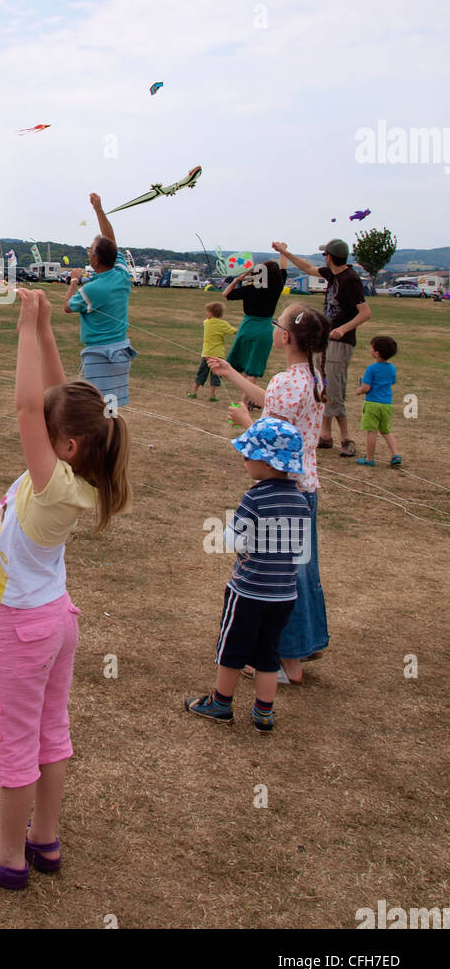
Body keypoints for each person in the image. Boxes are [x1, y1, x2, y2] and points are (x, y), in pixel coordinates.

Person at [0, 289, 131, 889]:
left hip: (25, 629)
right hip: (54, 619)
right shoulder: (77, 471)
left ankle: (7, 853)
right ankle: (44, 840)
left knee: (15, 741)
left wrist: (27, 326)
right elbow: (54, 401)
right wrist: (50, 331)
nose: (41, 429)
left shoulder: (53, 483)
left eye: (49, 430)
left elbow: (31, 408)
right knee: (51, 732)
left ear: (65, 445)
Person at [209, 306, 330, 685]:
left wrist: (245, 421)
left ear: (285, 337)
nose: (274, 327)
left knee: (281, 576)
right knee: (301, 569)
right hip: (305, 488)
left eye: (278, 323)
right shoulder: (311, 376)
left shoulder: (285, 381)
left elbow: (271, 439)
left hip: (284, 487)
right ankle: (304, 645)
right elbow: (275, 404)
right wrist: (230, 373)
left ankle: (284, 663)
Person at [184, 417, 309, 732]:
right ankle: (264, 712)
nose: (243, 459)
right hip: (284, 594)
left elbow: (233, 540)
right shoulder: (301, 499)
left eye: (248, 454)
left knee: (232, 648)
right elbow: (299, 546)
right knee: (269, 652)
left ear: (267, 463)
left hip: (249, 591)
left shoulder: (254, 498)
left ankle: (221, 703)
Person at [273, 238, 371, 457]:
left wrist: (344, 329)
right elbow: (307, 268)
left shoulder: (350, 280)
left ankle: (346, 439)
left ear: (329, 257)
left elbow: (365, 312)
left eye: (324, 255)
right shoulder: (332, 274)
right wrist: (284, 252)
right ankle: (325, 436)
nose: (323, 259)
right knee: (322, 385)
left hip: (340, 343)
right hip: (326, 341)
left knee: (334, 388)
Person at [63, 192, 136, 409]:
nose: (88, 252)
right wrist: (98, 210)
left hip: (99, 356)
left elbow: (67, 307)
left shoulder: (92, 289)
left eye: (90, 250)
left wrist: (74, 281)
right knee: (111, 409)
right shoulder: (122, 274)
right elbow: (110, 241)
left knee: (91, 408)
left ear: (95, 260)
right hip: (121, 353)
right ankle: (113, 441)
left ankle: (100, 442)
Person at [221, 255, 288, 399]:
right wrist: (283, 252)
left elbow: (226, 294)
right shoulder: (277, 286)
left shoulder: (251, 288)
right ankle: (245, 401)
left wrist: (238, 279)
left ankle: (245, 398)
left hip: (247, 327)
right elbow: (283, 268)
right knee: (254, 368)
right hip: (265, 329)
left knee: (245, 364)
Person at [356, 336, 401, 468]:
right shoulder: (392, 368)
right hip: (387, 404)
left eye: (372, 347)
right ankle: (396, 454)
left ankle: (370, 458)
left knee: (372, 431)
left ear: (376, 353)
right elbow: (392, 381)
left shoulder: (371, 369)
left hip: (372, 404)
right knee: (386, 431)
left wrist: (359, 390)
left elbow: (366, 387)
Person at [189, 300, 236, 400]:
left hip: (206, 354)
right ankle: (212, 395)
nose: (206, 313)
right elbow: (234, 331)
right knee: (216, 375)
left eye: (207, 311)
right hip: (218, 354)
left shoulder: (206, 323)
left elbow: (209, 322)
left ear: (211, 313)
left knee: (202, 373)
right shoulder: (223, 324)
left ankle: (193, 392)